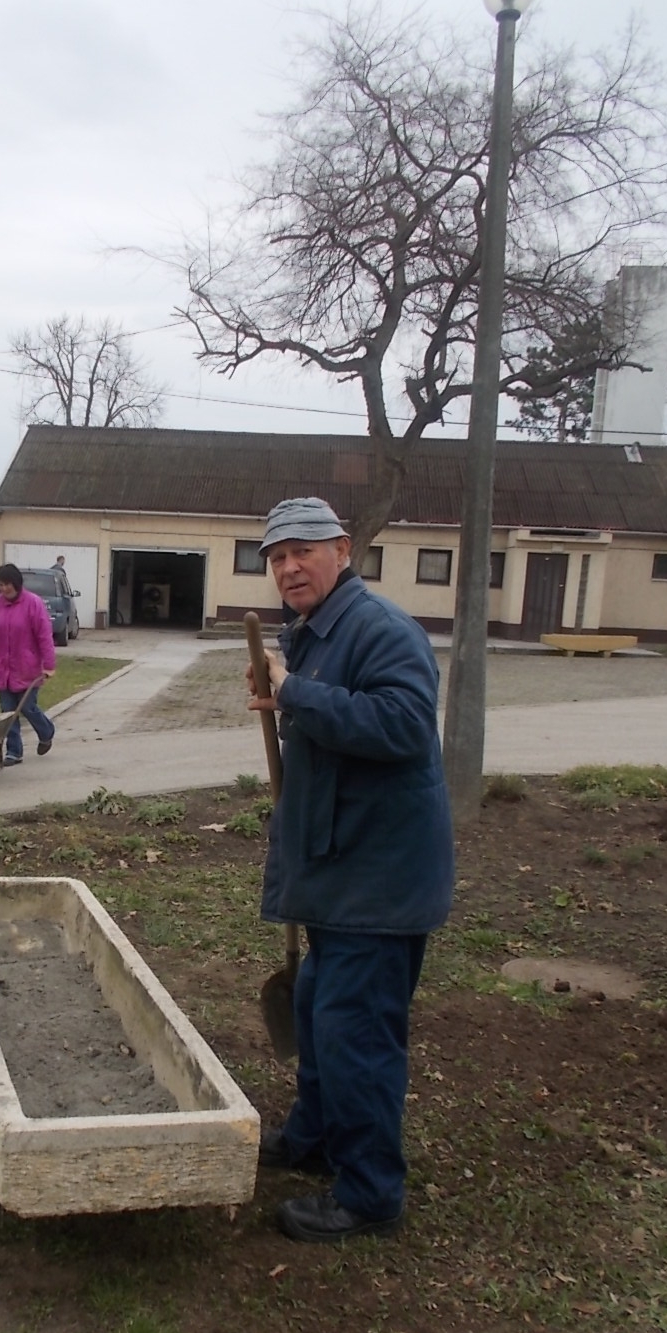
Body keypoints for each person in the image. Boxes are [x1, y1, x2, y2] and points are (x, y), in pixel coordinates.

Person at [247, 496, 454, 1245]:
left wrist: (295, 692)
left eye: (303, 550)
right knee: (315, 1009)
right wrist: (287, 691)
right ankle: (316, 1135)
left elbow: (403, 724)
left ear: (342, 550)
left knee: (355, 1032)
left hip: (379, 879)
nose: (289, 567)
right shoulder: (312, 633)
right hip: (342, 868)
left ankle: (369, 1192)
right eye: (277, 558)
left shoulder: (380, 629)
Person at [0, 563, 57, 767]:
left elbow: (44, 636)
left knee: (27, 707)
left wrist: (49, 665)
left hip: (27, 668)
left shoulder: (33, 603)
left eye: (8, 584)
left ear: (17, 583)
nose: (4, 588)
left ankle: (46, 731)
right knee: (8, 712)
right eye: (0, 584)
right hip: (2, 668)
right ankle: (14, 751)